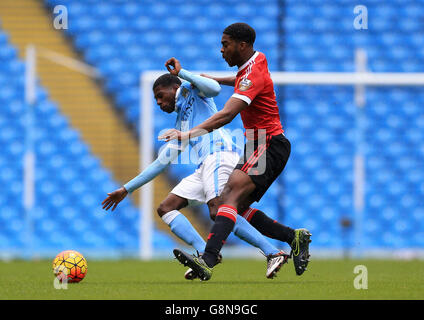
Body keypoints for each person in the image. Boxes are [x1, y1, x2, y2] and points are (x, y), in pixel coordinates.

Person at [102, 57, 289, 280]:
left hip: (220, 154)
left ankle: (272, 252)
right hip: (204, 166)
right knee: (166, 207)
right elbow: (161, 163)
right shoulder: (180, 124)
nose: (159, 103)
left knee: (220, 209)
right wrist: (127, 189)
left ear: (175, 87)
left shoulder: (192, 91)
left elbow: (215, 87)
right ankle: (204, 252)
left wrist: (185, 74)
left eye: (160, 96)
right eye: (156, 101)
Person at [160, 23, 311, 281]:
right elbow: (240, 80)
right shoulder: (254, 64)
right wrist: (215, 78)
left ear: (242, 45)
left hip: (266, 142)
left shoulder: (252, 75)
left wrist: (187, 134)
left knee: (227, 198)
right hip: (259, 142)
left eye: (225, 44)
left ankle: (208, 258)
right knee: (234, 209)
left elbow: (226, 115)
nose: (221, 50)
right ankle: (292, 237)